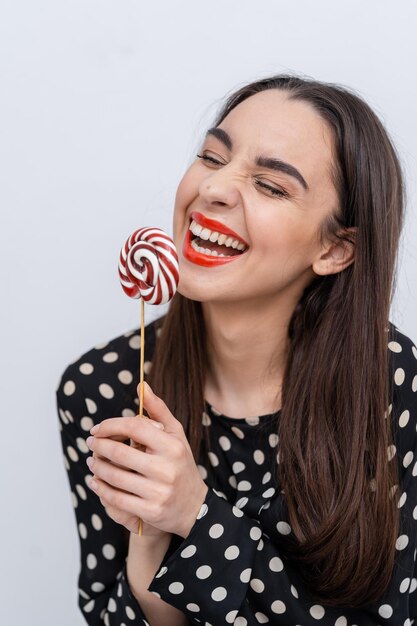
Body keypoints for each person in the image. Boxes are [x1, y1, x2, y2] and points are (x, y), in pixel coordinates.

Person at [57, 74, 417, 626]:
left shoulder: (392, 382)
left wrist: (197, 515)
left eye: (271, 186)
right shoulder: (104, 387)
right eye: (211, 156)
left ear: (335, 249)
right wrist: (149, 540)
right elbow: (109, 612)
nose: (215, 188)